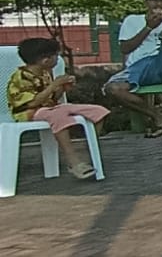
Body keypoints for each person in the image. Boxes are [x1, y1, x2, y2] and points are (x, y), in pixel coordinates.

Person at [7, 36, 107, 180]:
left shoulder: (45, 73)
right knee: (58, 116)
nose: (58, 58)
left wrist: (63, 88)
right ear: (45, 60)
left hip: (50, 108)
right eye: (56, 55)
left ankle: (86, 152)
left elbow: (52, 98)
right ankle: (74, 161)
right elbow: (32, 103)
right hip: (29, 112)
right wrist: (55, 84)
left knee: (98, 111)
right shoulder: (21, 77)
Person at [103, 0, 162, 138]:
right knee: (113, 89)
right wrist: (149, 27)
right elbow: (125, 48)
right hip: (139, 68)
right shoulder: (132, 20)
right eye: (154, 0)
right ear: (146, 3)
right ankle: (158, 116)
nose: (158, 4)